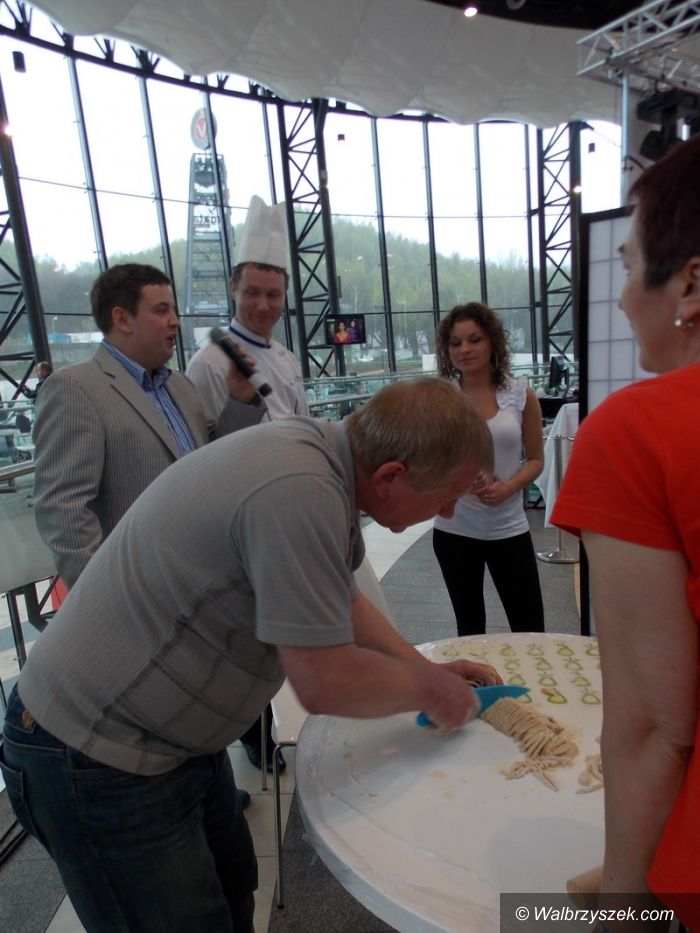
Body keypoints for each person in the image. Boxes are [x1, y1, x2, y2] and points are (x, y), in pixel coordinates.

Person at [1, 377, 498, 933]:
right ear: (390, 477)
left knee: (234, 890)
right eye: (446, 497)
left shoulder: (322, 463)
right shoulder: (299, 487)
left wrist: (423, 668)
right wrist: (433, 692)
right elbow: (324, 680)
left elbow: (342, 596)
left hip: (173, 745)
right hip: (96, 753)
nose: (448, 511)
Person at [552, 134, 700, 933]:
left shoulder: (638, 429)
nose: (618, 298)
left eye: (627, 263)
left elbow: (652, 724)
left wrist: (621, 895)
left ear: (690, 283)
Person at [32, 263, 260, 590]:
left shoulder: (179, 385)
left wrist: (240, 399)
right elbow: (63, 511)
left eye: (174, 310)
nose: (175, 321)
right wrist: (107, 596)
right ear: (122, 319)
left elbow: (214, 461)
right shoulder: (75, 389)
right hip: (141, 587)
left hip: (205, 572)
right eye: (161, 310)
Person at [187, 196, 309, 774]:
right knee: (243, 635)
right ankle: (252, 734)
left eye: (273, 294)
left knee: (277, 629)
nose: (263, 305)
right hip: (241, 516)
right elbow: (199, 449)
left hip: (288, 508)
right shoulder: (210, 361)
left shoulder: (283, 354)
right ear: (234, 290)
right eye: (253, 292)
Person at [432, 302, 545, 637]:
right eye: (456, 343)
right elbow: (427, 462)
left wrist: (508, 486)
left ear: (493, 342)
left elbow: (536, 460)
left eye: (475, 339)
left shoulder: (520, 394)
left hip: (508, 528)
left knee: (530, 628)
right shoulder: (441, 399)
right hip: (455, 529)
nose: (464, 349)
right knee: (469, 630)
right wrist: (459, 480)